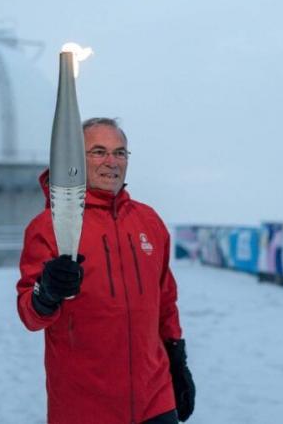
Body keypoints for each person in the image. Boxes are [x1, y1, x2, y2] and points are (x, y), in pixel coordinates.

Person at [17, 117, 195, 424]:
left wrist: (177, 360)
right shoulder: (50, 226)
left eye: (120, 152)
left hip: (155, 401)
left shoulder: (148, 220)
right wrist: (46, 293)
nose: (111, 162)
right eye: (98, 151)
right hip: (85, 407)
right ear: (74, 159)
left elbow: (165, 300)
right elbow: (30, 315)